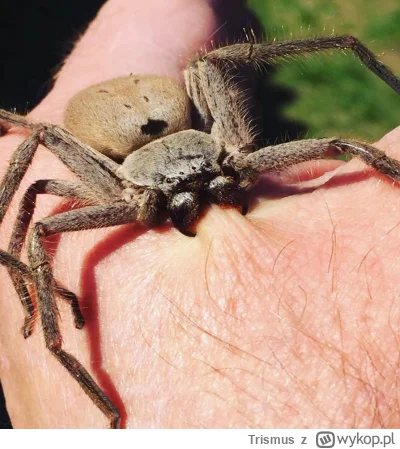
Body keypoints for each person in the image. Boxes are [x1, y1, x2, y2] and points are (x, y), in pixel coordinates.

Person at [0, 0, 399, 428]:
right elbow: (38, 215)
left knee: (210, 65)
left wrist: (345, 44)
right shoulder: (107, 187)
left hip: (158, 115)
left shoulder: (232, 151)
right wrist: (30, 289)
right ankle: (92, 392)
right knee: (39, 159)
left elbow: (340, 143)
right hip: (116, 156)